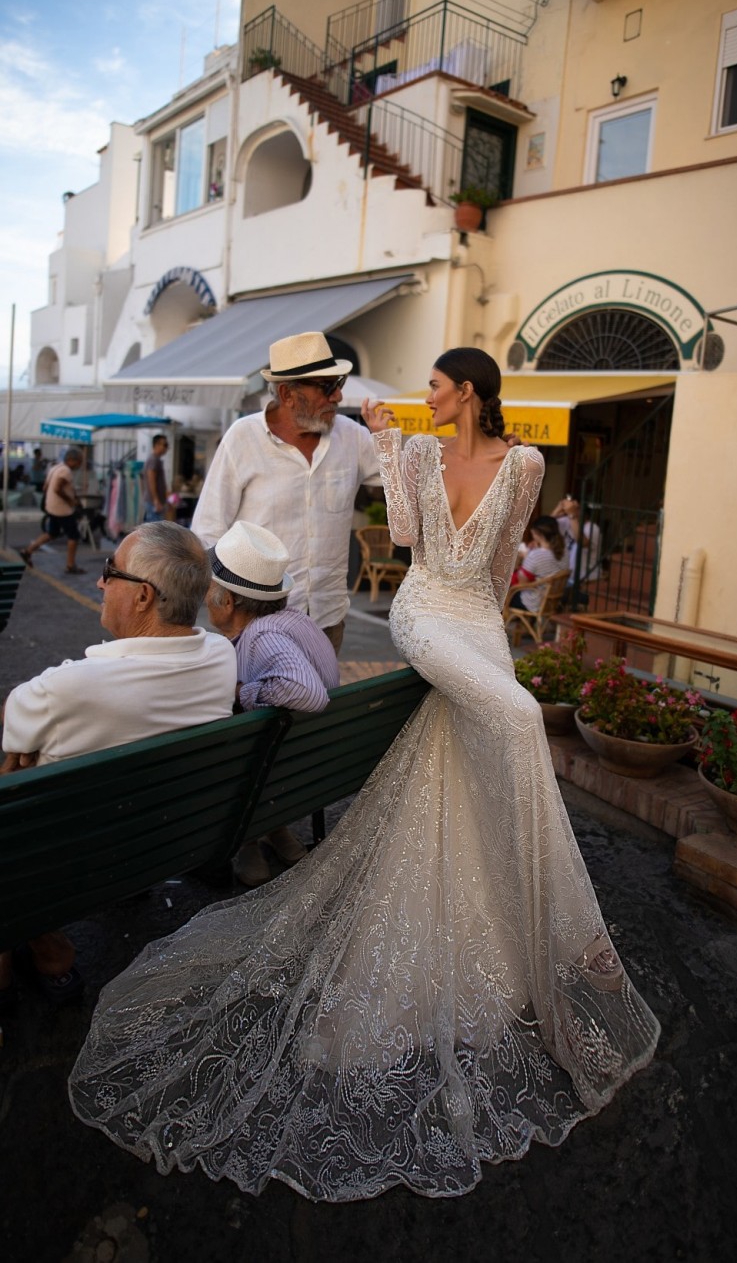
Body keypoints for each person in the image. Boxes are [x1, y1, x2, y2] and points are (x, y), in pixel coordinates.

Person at [69, 348, 659, 1203]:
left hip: (426, 622)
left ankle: (518, 920)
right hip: (359, 616)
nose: (349, 398)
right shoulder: (341, 445)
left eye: (433, 386)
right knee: (519, 720)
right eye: (323, 387)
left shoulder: (508, 460)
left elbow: (495, 566)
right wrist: (395, 450)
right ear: (287, 391)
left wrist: (492, 640)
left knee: (472, 735)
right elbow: (407, 539)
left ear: (468, 393)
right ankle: (566, 930)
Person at [1, 521, 237, 1013]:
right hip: (158, 845)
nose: (99, 583)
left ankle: (42, 940)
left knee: (14, 770)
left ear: (144, 597)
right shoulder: (220, 656)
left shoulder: (68, 689)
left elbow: (14, 721)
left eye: (110, 572)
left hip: (59, 860)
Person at [191, 331, 382, 654]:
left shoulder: (353, 437)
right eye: (328, 387)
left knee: (316, 702)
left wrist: (386, 440)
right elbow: (208, 529)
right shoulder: (243, 438)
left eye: (339, 385)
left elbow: (403, 486)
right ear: (287, 394)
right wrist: (224, 608)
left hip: (325, 619)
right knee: (249, 705)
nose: (337, 398)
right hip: (253, 623)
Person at [205, 519, 340, 882]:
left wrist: (241, 693)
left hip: (275, 771)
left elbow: (307, 693)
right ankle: (276, 830)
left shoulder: (262, 636)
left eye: (208, 588)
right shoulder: (293, 620)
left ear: (228, 601)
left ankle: (249, 838)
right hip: (309, 765)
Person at [17, 447, 86, 575]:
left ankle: (28, 551)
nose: (80, 465)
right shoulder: (65, 471)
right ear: (71, 460)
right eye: (79, 462)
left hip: (51, 506)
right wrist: (70, 500)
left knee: (52, 533)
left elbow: (46, 487)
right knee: (74, 535)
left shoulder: (55, 468)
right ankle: (70, 565)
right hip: (62, 509)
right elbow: (57, 488)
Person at [509, 515, 568, 613]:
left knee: (504, 592)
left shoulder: (535, 555)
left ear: (537, 534)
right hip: (553, 600)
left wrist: (526, 557)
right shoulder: (565, 552)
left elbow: (522, 583)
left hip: (535, 602)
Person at [553, 495, 602, 598]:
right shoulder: (568, 520)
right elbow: (545, 528)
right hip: (567, 576)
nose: (573, 510)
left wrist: (572, 515)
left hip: (583, 579)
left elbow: (582, 542)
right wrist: (558, 509)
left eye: (577, 508)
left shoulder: (593, 528)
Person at [142, 433, 169, 522]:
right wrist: (156, 500)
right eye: (164, 445)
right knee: (155, 532)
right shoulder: (153, 459)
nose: (166, 448)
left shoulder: (155, 459)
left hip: (154, 502)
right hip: (153, 502)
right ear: (157, 445)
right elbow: (151, 480)